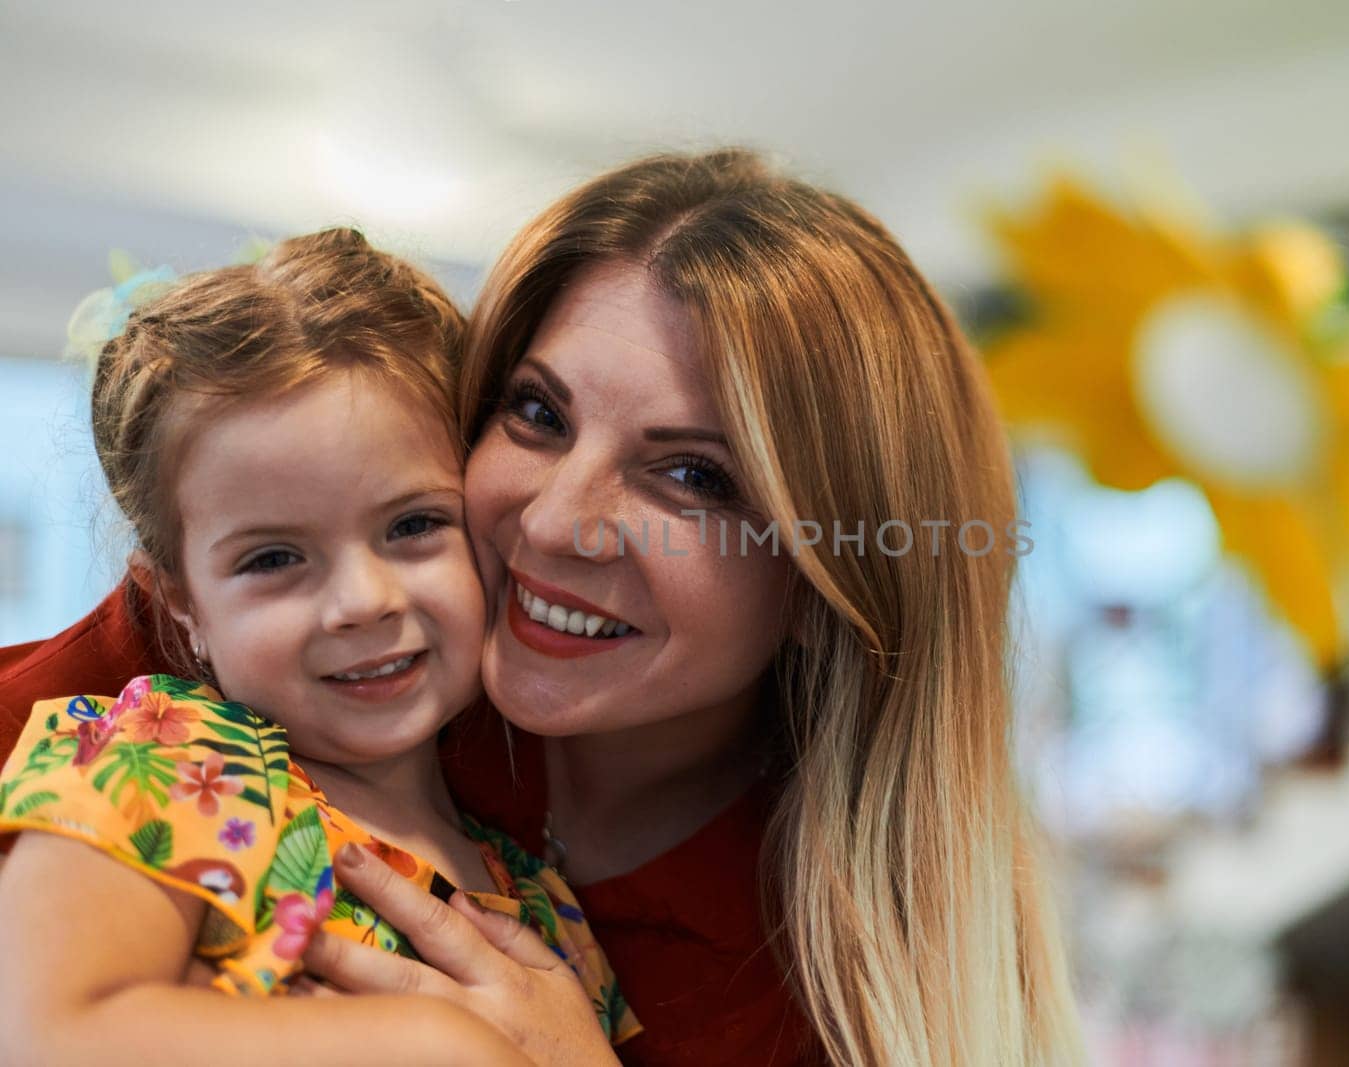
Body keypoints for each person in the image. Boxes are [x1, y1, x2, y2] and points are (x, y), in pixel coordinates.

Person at [0, 150, 1081, 1065]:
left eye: (695, 477)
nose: (559, 523)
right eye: (536, 411)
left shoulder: (778, 968)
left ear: (825, 586)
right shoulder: (194, 708)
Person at [0, 230, 636, 1065]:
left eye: (414, 525)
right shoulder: (169, 758)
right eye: (273, 558)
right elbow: (44, 1034)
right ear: (181, 602)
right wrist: (437, 1041)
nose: (362, 602)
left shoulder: (547, 910)